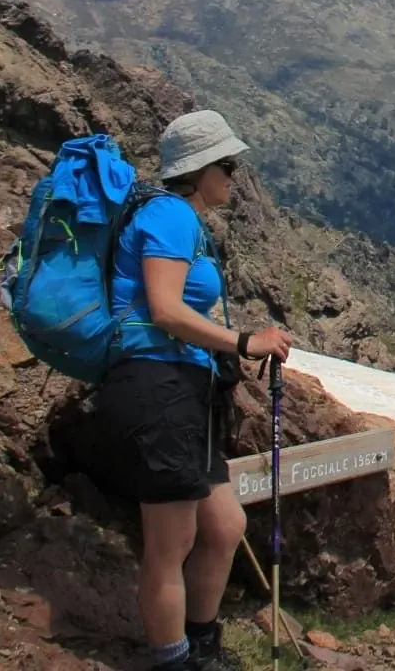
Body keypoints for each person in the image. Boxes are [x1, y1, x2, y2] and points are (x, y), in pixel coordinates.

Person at [98, 110, 294, 671]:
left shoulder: (183, 218)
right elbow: (164, 309)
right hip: (154, 386)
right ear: (200, 169)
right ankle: (174, 660)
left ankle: (203, 645)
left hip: (181, 389)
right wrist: (242, 342)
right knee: (171, 543)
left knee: (225, 525)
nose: (235, 176)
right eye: (228, 166)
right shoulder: (171, 217)